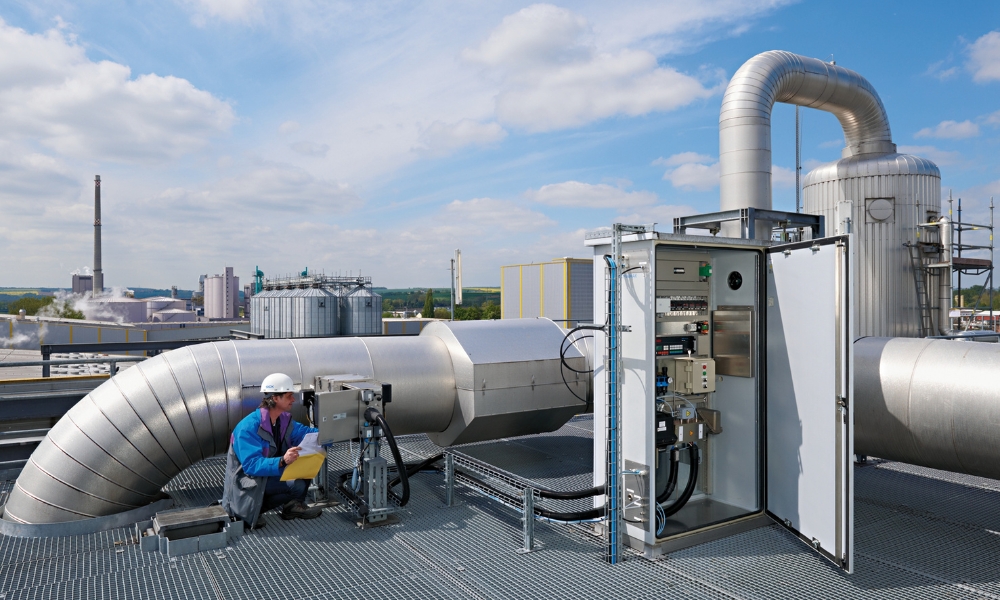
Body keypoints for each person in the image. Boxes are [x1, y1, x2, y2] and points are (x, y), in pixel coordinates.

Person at [222, 372, 323, 530]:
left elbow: (306, 434)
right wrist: (282, 461)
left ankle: (292, 506)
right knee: (295, 484)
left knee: (305, 469)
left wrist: (329, 434)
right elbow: (251, 465)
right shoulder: (247, 428)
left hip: (263, 477)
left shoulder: (283, 420)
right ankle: (248, 512)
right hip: (247, 484)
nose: (293, 399)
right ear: (275, 398)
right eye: (289, 396)